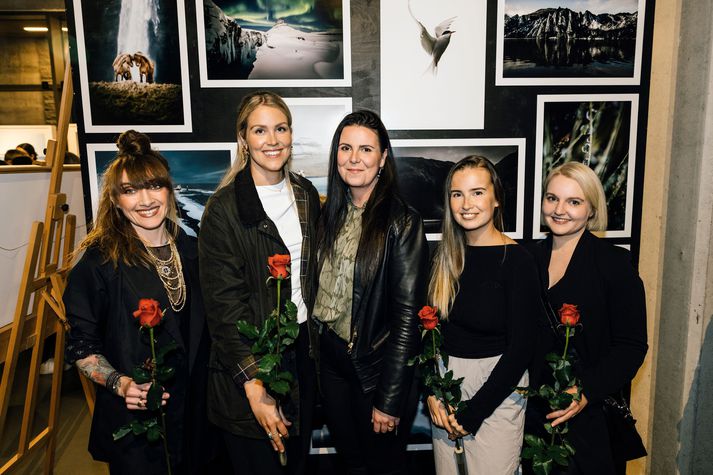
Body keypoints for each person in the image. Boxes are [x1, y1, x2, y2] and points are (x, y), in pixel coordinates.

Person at [63, 130, 215, 474]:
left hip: (194, 422)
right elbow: (82, 348)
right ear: (115, 200)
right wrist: (121, 383)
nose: (145, 199)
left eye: (154, 186)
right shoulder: (99, 264)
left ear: (169, 190)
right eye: (130, 191)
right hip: (137, 425)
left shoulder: (192, 251)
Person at [198, 91, 320, 475]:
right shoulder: (224, 210)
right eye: (260, 130)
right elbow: (222, 308)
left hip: (301, 357)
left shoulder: (306, 195)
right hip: (249, 359)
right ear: (244, 140)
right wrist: (253, 383)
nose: (272, 140)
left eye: (280, 129)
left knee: (296, 465)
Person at [312, 110, 429, 474]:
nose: (354, 158)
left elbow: (409, 320)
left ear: (382, 159)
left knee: (381, 466)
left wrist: (390, 399)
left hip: (375, 371)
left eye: (366, 149)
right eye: (346, 148)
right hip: (332, 363)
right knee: (352, 462)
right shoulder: (329, 212)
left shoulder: (402, 222)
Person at [527, 161, 648, 474]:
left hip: (589, 418)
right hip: (533, 417)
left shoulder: (614, 265)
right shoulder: (527, 259)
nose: (560, 209)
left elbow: (631, 346)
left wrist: (585, 392)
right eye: (552, 198)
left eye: (574, 201)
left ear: (592, 210)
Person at [425, 156, 539, 474]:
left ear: (496, 198)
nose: (466, 204)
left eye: (477, 192)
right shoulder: (443, 259)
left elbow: (521, 350)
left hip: (499, 390)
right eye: (457, 194)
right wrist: (432, 392)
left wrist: (474, 412)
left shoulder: (518, 261)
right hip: (446, 386)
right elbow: (429, 335)